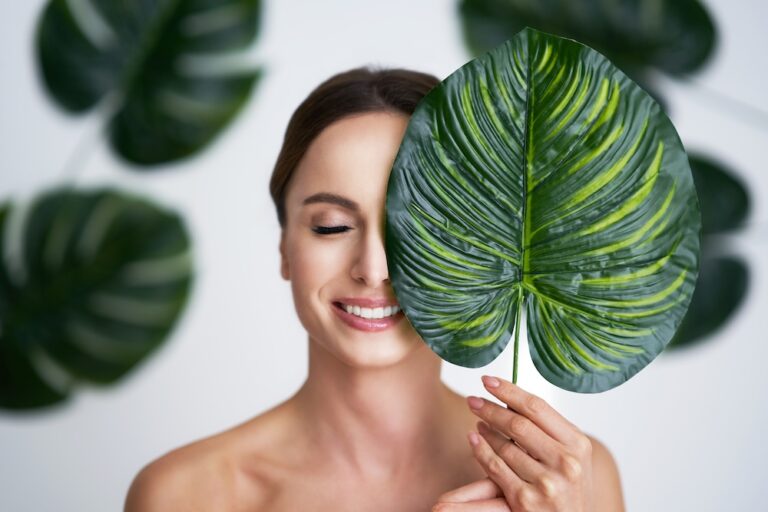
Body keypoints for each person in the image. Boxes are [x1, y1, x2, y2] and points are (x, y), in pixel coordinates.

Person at [124, 66, 625, 512]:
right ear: (284, 248)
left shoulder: (567, 481)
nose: (373, 268)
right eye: (332, 226)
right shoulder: (182, 495)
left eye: (418, 226)